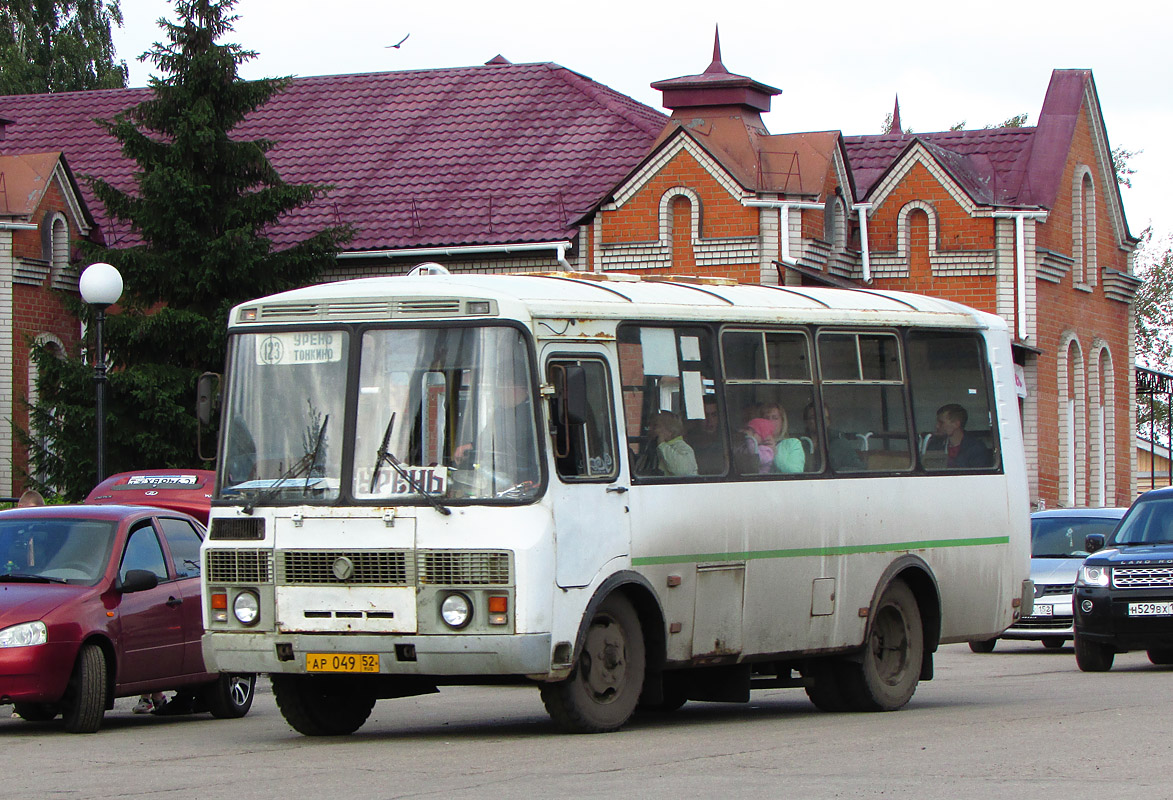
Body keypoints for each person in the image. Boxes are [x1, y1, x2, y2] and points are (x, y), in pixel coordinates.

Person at [804, 402, 863, 472]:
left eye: (824, 418)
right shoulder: (798, 443)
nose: (819, 421)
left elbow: (858, 468)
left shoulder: (840, 442)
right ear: (806, 421)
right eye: (813, 417)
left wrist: (837, 473)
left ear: (829, 422)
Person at [935, 403, 991, 468]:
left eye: (941, 423)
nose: (937, 426)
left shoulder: (976, 449)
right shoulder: (936, 446)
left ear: (956, 424)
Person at [759, 402, 805, 474]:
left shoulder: (793, 443)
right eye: (766, 418)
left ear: (782, 421)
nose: (770, 421)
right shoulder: (755, 444)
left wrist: (775, 453)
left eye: (775, 418)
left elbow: (796, 473)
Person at [649, 411, 697, 477]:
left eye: (656, 426)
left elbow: (682, 471)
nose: (650, 429)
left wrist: (662, 445)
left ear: (670, 431)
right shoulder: (652, 447)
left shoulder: (682, 448)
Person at [686, 395, 725, 474]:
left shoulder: (730, 438)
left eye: (714, 415)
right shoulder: (688, 440)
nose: (710, 421)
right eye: (705, 416)